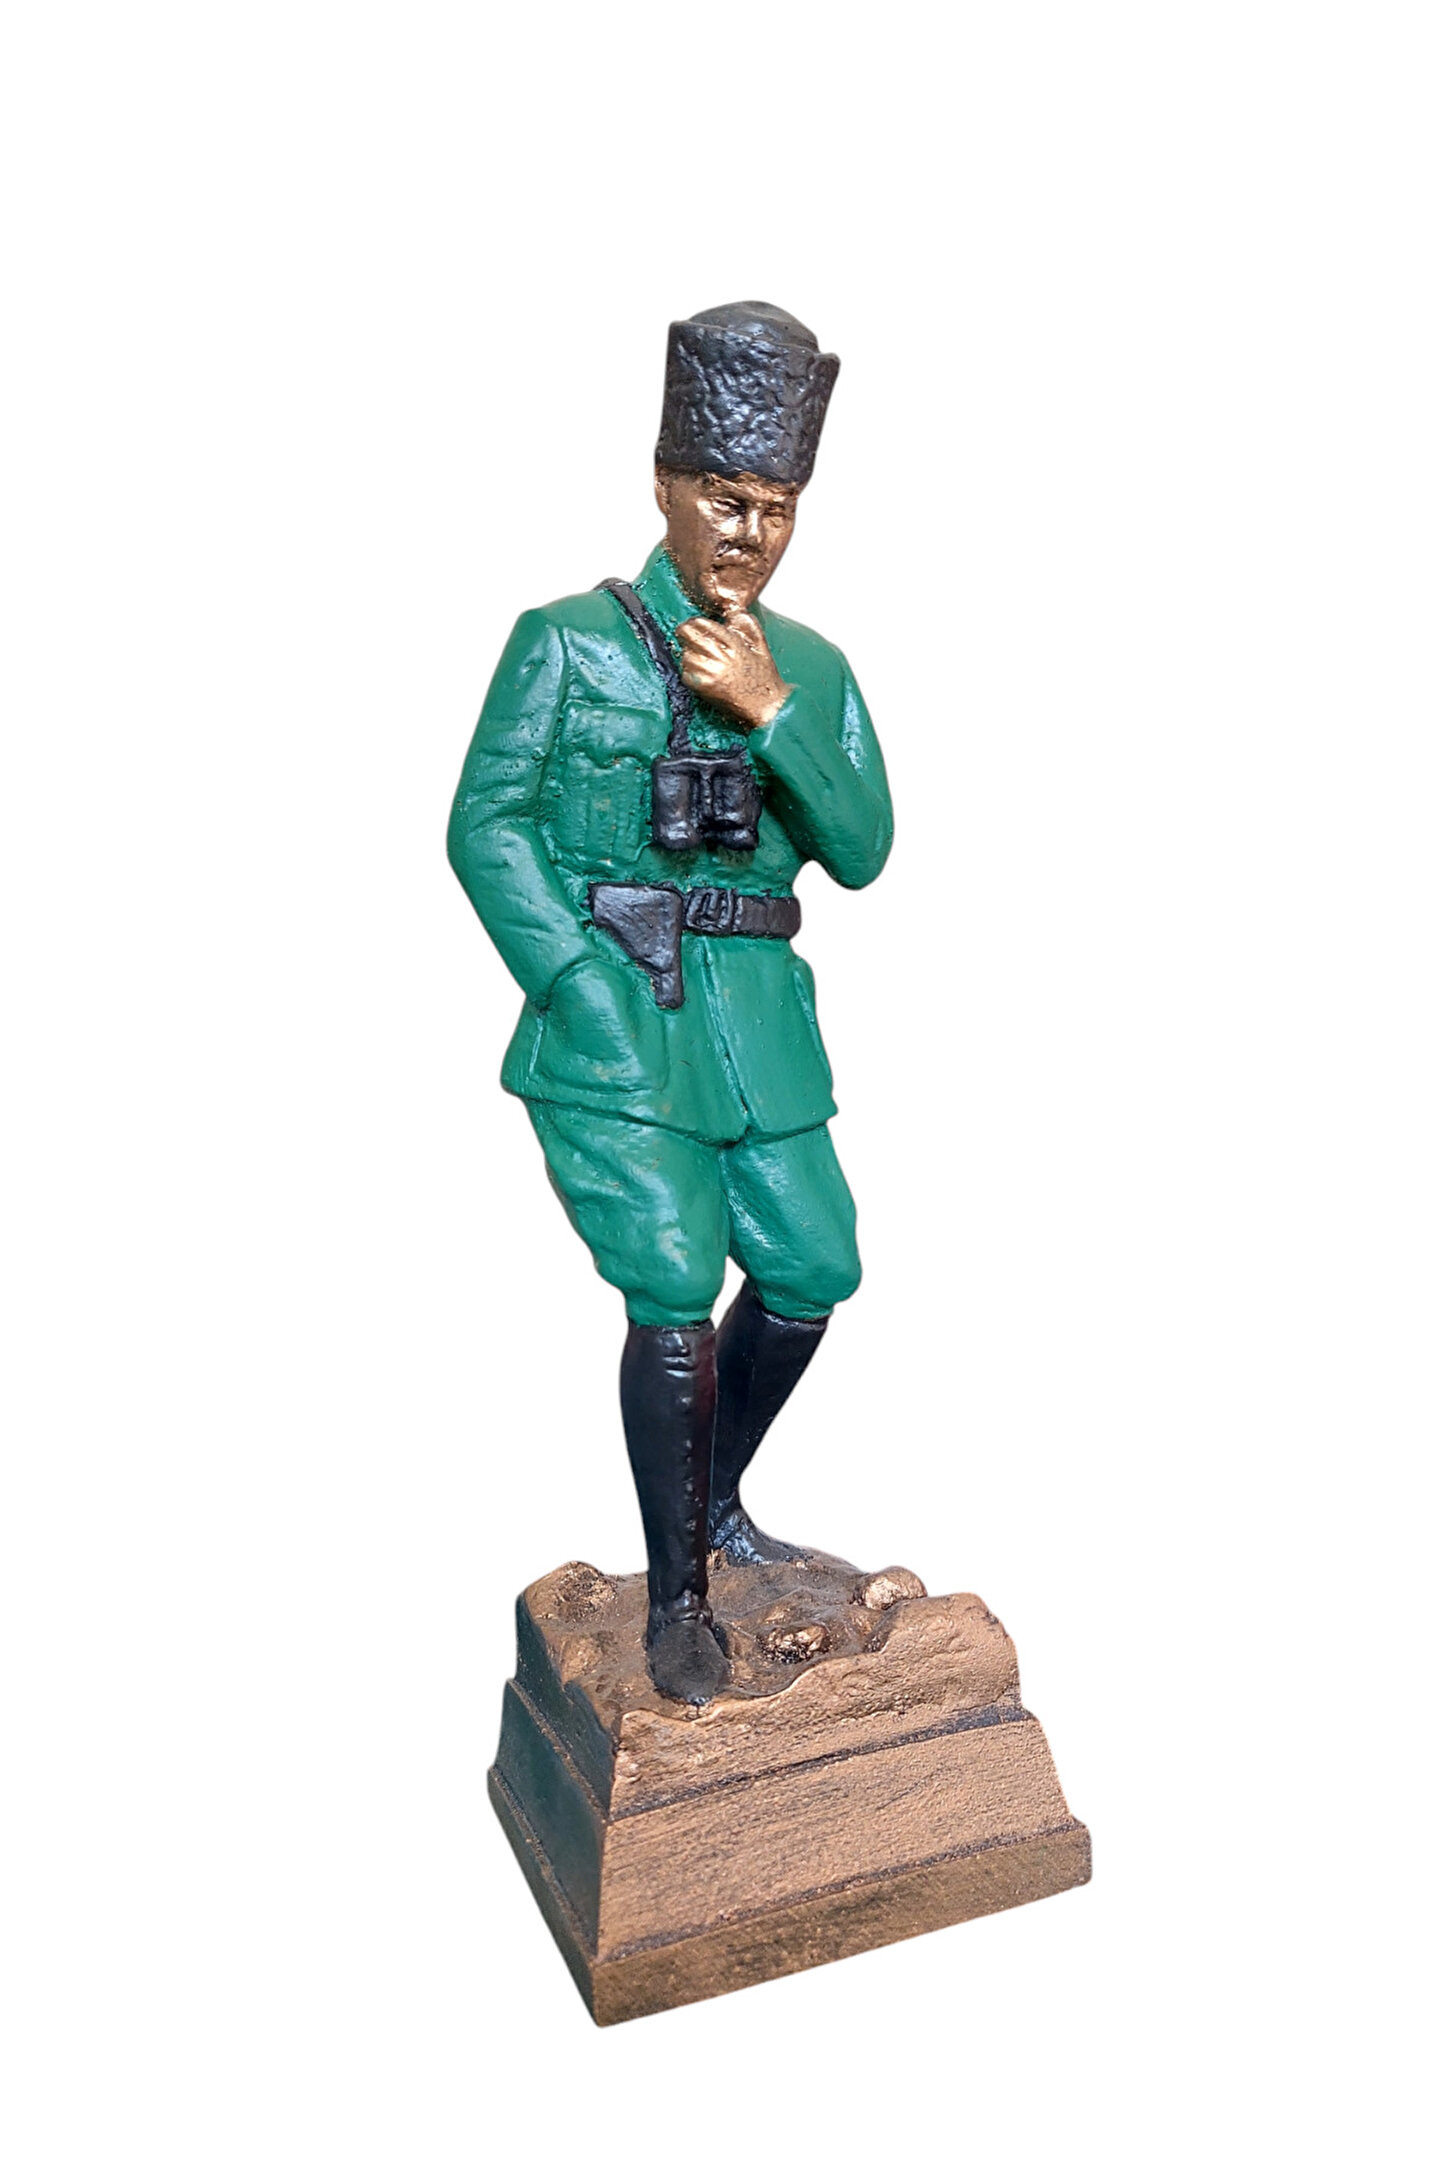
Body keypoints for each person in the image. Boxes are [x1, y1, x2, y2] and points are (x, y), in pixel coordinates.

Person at [448, 302, 893, 1703]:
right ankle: (679, 1601)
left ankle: (713, 1502)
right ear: (665, 484)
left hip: (757, 1024)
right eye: (724, 497)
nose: (747, 533)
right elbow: (486, 825)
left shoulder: (811, 668)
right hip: (623, 1012)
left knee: (814, 1262)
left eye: (775, 509)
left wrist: (772, 713)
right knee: (675, 1279)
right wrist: (575, 983)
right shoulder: (567, 642)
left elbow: (864, 850)